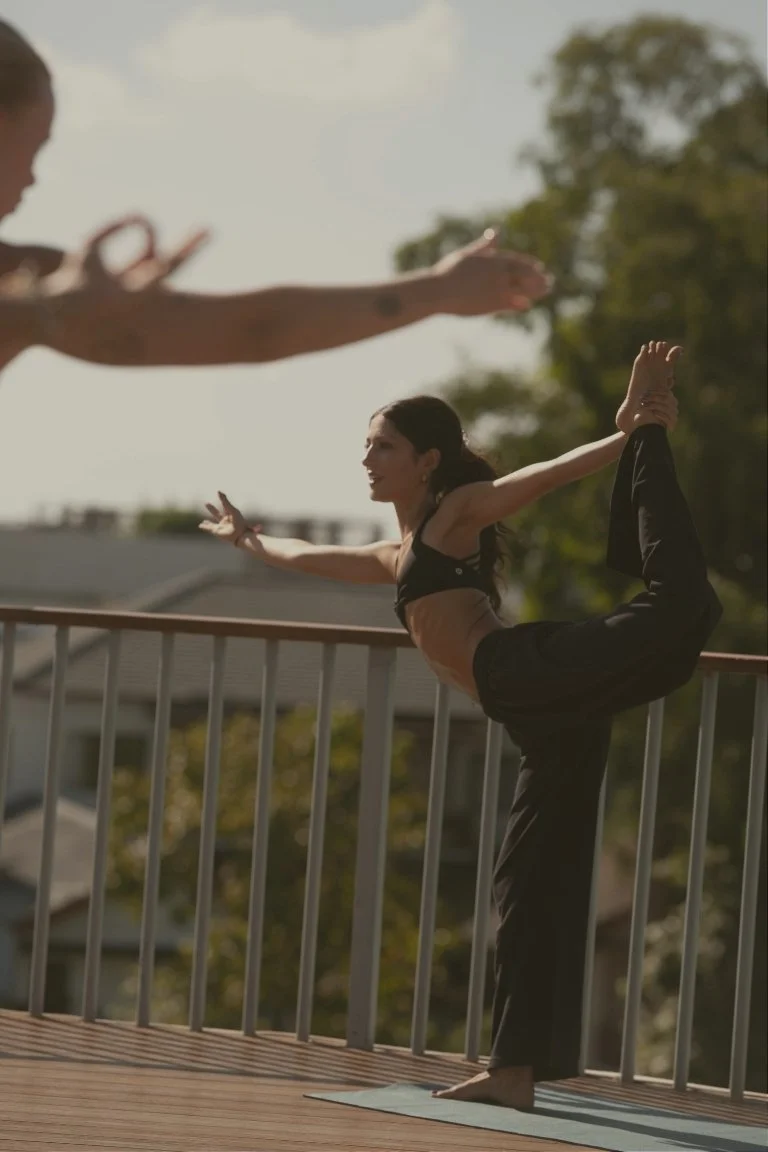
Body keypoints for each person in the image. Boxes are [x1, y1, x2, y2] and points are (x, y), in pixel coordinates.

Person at [199, 340, 722, 1108]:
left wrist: (628, 430)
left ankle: (655, 451)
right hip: (537, 717)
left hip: (528, 672)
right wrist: (248, 539)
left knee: (680, 607)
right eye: (367, 445)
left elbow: (543, 477)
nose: (368, 458)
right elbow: (307, 553)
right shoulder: (400, 551)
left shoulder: (454, 517)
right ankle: (514, 1073)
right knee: (527, 884)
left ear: (428, 461)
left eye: (385, 446)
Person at [0, 18, 552, 377]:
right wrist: (38, 312)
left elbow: (256, 327)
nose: (33, 177)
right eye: (35, 145)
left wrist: (436, 291)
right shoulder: (39, 294)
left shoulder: (31, 277)